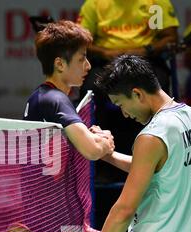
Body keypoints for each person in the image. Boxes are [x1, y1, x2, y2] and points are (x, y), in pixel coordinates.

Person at [73, 55, 191, 232]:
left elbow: (124, 210)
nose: (124, 114)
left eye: (121, 104)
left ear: (138, 94)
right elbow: (158, 168)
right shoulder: (190, 117)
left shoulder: (151, 136)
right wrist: (108, 155)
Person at [77, 0, 180, 182]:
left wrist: (144, 50)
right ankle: (100, 164)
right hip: (107, 61)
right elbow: (81, 40)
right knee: (90, 90)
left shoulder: (155, 3)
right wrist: (104, 52)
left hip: (146, 59)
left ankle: (156, 155)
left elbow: (170, 37)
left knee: (159, 85)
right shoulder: (95, 4)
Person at [24, 20, 114, 161]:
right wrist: (106, 142)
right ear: (60, 64)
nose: (88, 66)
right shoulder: (56, 99)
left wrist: (91, 136)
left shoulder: (43, 95)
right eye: (81, 59)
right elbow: (93, 151)